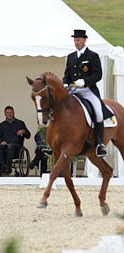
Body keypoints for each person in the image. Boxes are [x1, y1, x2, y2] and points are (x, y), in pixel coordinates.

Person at [63, 29, 107, 158]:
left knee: (98, 112)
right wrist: (65, 83)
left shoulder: (92, 56)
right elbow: (67, 75)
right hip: (73, 90)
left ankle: (100, 144)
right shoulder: (71, 56)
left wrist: (85, 81)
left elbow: (98, 75)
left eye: (78, 40)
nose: (76, 42)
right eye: (75, 40)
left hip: (88, 90)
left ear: (84, 40)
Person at [0, 106, 31, 175]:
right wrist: (1, 141)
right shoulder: (1, 125)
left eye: (11, 112)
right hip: (4, 146)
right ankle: (2, 166)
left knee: (10, 146)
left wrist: (23, 131)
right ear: (5, 114)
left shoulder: (20, 123)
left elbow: (28, 135)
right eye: (7, 112)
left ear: (14, 113)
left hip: (16, 146)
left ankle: (8, 168)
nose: (9, 114)